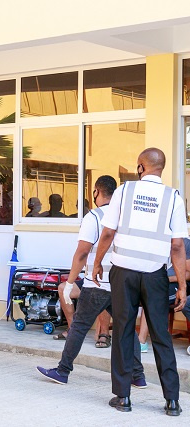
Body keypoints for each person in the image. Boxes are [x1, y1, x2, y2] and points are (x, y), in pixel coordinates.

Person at [92, 148, 186, 416]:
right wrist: (182, 285)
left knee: (122, 330)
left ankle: (123, 397)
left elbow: (108, 232)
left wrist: (98, 261)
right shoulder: (173, 197)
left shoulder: (124, 191)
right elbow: (177, 246)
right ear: (161, 168)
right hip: (155, 274)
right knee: (160, 334)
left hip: (123, 271)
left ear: (140, 167)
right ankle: (172, 401)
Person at [36, 176, 146, 387]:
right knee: (127, 328)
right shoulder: (125, 217)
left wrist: (69, 283)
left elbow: (82, 253)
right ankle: (137, 376)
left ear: (96, 192)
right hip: (122, 283)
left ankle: (62, 371)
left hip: (96, 284)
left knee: (78, 326)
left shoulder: (94, 217)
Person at [138, 237, 190, 355]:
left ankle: (141, 342)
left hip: (176, 283)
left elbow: (188, 274)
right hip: (156, 282)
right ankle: (130, 339)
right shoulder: (155, 241)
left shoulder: (184, 243)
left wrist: (166, 279)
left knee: (153, 295)